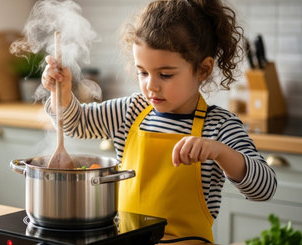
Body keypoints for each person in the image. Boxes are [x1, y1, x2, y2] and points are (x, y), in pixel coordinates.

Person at [41, 0, 277, 243]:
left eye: (165, 75)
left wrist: (219, 151)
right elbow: (77, 123)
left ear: (203, 70)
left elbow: (264, 188)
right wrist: (63, 93)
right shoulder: (130, 111)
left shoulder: (218, 126)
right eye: (143, 72)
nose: (150, 85)